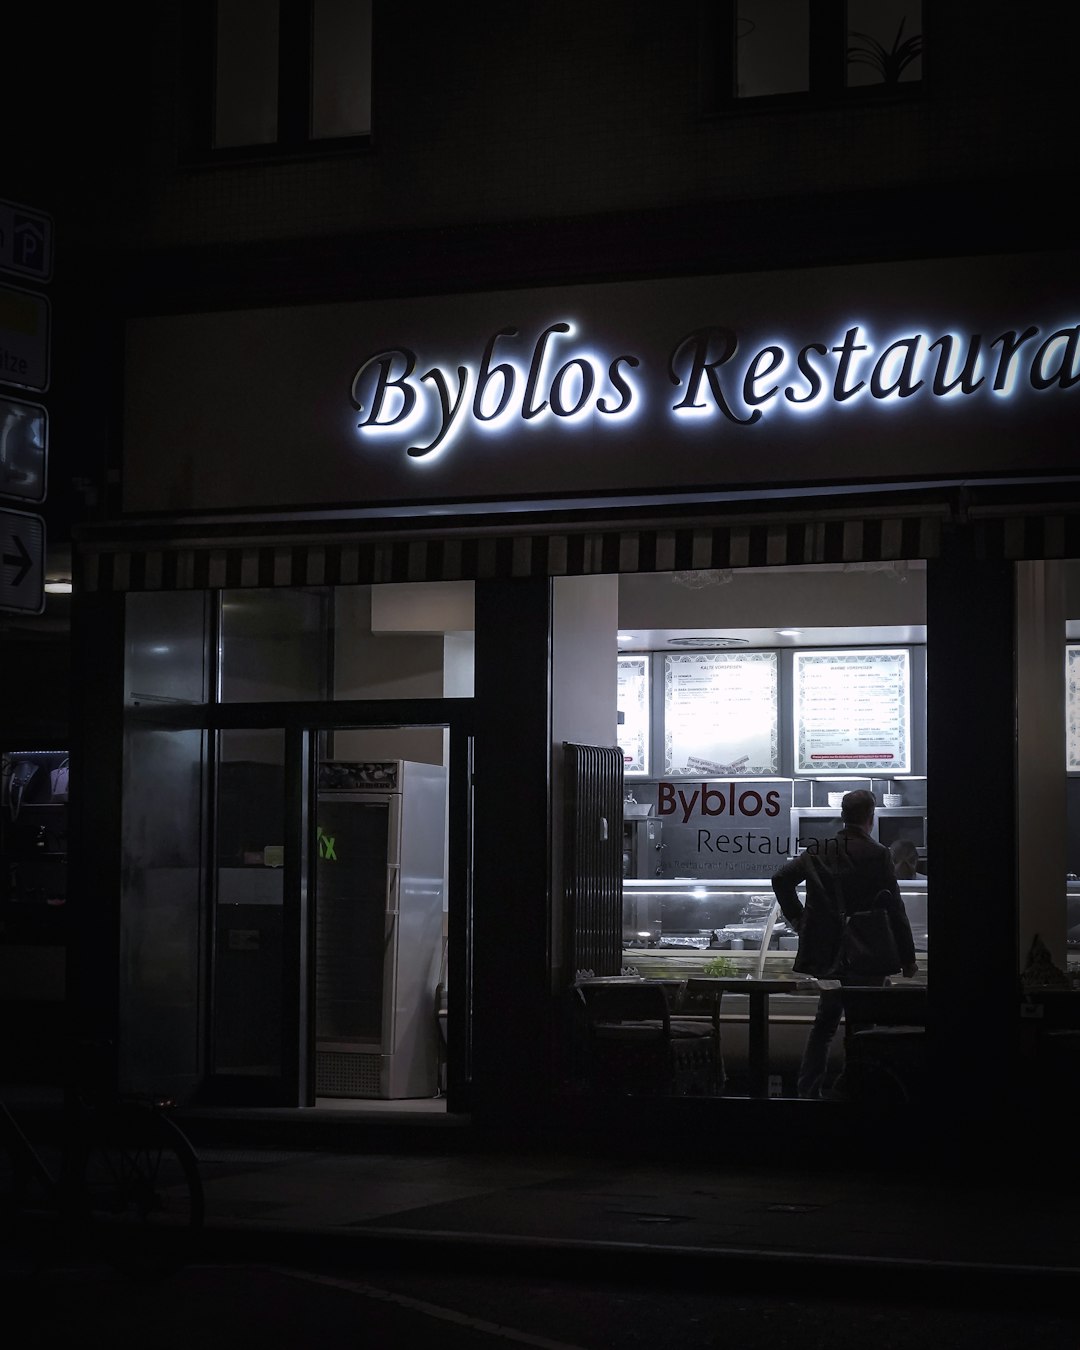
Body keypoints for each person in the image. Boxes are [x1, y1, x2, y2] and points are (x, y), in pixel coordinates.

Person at [771, 789, 918, 1100]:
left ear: (843, 815)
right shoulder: (878, 854)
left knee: (825, 1023)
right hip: (868, 951)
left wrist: (800, 921)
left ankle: (808, 1091)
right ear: (870, 817)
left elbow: (781, 879)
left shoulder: (817, 850)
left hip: (828, 952)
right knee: (863, 1023)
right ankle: (858, 1088)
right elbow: (896, 908)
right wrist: (908, 957)